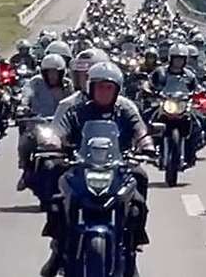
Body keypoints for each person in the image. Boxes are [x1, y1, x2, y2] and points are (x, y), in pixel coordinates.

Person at [40, 62, 156, 277]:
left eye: (108, 88)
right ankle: (58, 249)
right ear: (90, 88)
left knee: (140, 183)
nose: (104, 92)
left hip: (119, 168)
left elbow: (140, 129)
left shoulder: (126, 108)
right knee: (57, 197)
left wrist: (146, 145)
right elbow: (59, 130)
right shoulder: (76, 110)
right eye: (99, 87)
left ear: (117, 89)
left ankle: (132, 247)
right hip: (81, 167)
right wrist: (54, 143)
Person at [16, 54, 74, 191]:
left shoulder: (68, 85)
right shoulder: (35, 82)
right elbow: (26, 94)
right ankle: (26, 170)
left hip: (60, 125)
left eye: (55, 72)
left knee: (72, 145)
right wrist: (22, 106)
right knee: (26, 141)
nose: (52, 76)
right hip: (38, 124)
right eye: (49, 72)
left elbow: (73, 100)